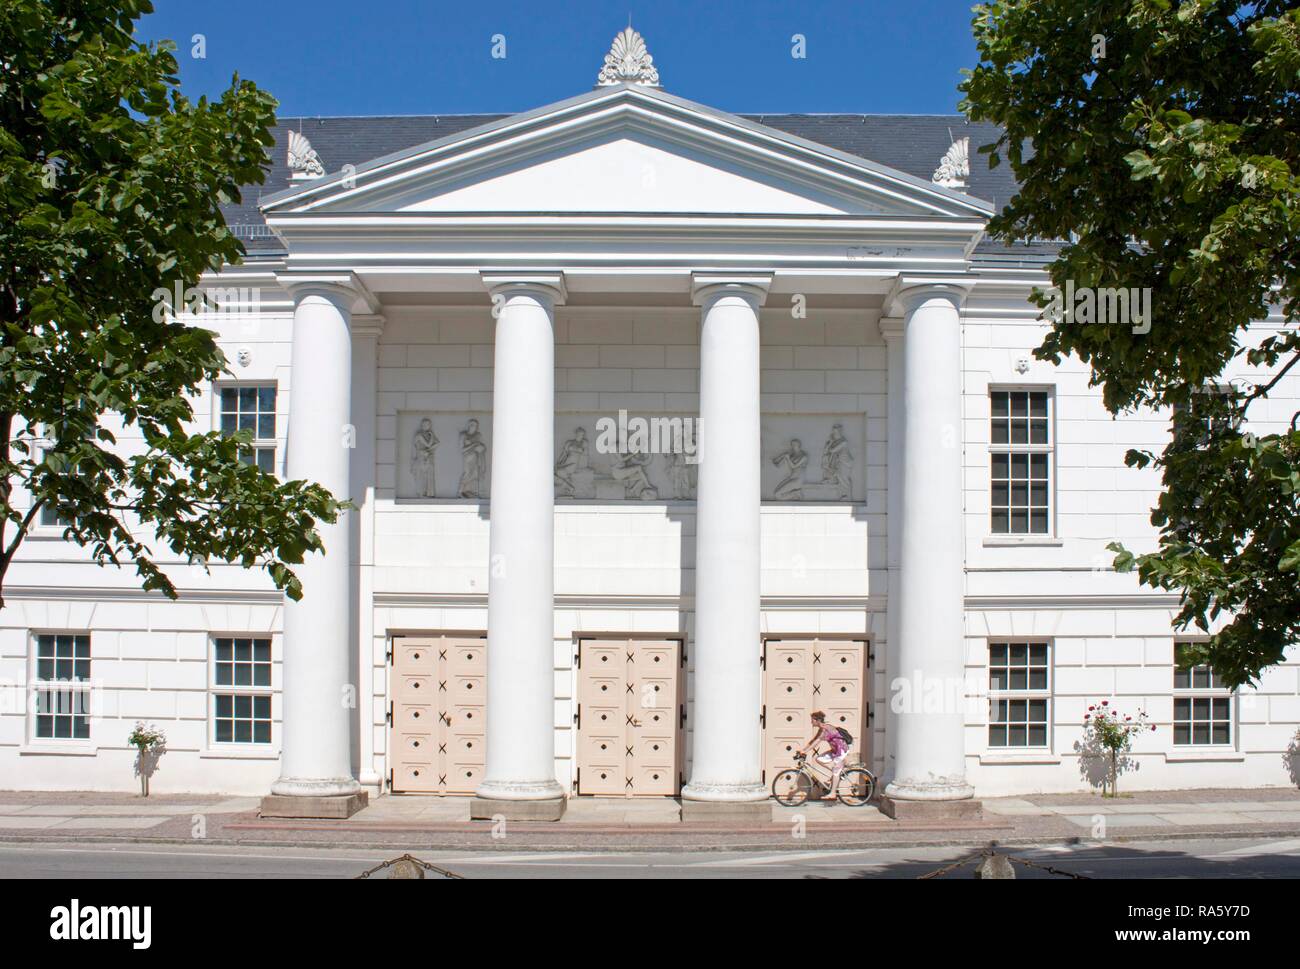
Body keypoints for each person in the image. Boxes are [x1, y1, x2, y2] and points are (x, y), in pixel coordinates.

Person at [798, 710, 850, 801]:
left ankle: (833, 794)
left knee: (836, 772)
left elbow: (816, 742)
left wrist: (805, 752)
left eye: (812, 720)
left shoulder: (826, 729)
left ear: (818, 720)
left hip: (841, 750)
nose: (811, 722)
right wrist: (803, 750)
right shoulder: (821, 728)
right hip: (835, 751)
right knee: (819, 759)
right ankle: (835, 773)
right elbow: (813, 740)